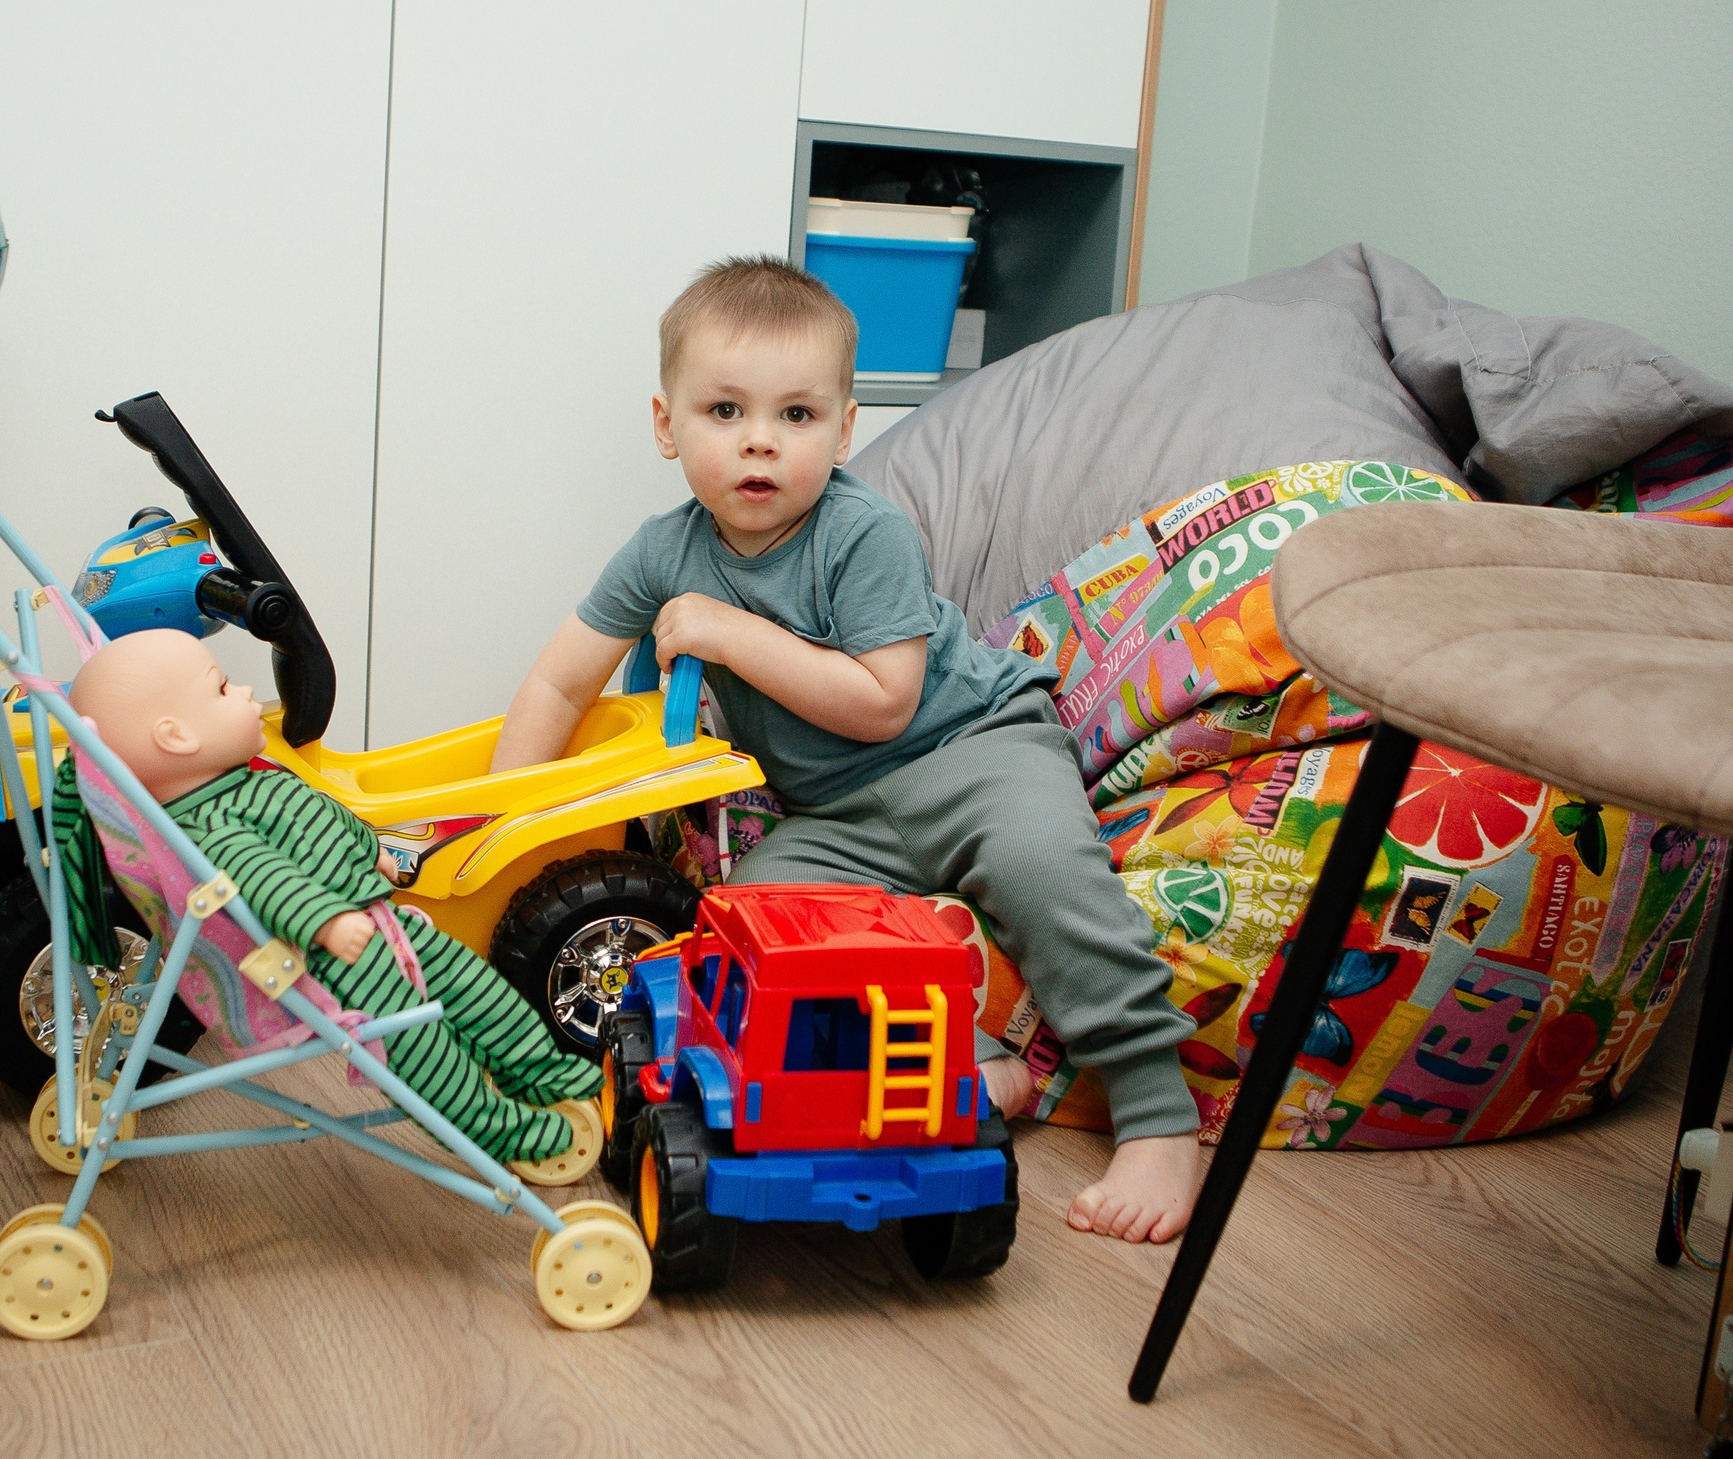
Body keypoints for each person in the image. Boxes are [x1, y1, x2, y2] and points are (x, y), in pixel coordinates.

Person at [490, 255, 1202, 1242]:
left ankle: (1156, 1112)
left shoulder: (863, 534)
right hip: (834, 816)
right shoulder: (663, 552)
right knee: (751, 934)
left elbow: (881, 701)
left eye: (796, 417)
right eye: (725, 412)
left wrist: (730, 636)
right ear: (666, 426)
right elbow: (560, 682)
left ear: (842, 428)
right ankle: (969, 1074)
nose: (760, 445)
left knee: (1046, 870)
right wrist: (501, 823)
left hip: (972, 752)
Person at [56, 628, 598, 1166]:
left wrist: (371, 849)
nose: (244, 693)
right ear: (176, 737)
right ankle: (498, 1131)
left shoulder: (239, 782)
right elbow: (263, 877)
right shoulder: (210, 825)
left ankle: (542, 1069)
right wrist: (324, 922)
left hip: (382, 924)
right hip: (340, 964)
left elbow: (314, 817)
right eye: (222, 689)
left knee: (480, 992)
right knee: (421, 1051)